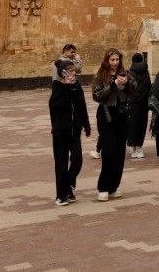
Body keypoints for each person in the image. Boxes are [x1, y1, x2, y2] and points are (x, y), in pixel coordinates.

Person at [92, 49, 134, 200]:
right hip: (106, 115)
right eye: (112, 60)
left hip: (122, 114)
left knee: (119, 152)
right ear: (107, 60)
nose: (115, 63)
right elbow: (97, 95)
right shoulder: (100, 75)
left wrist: (127, 83)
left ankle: (113, 186)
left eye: (117, 59)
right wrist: (113, 84)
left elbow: (135, 89)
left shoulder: (125, 73)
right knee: (109, 151)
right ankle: (103, 187)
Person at [49, 58, 91, 205]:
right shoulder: (57, 87)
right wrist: (67, 87)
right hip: (60, 132)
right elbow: (56, 107)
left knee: (77, 160)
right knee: (61, 164)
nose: (73, 74)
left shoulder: (77, 86)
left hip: (74, 131)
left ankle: (68, 185)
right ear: (63, 73)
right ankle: (61, 195)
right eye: (70, 71)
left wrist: (86, 124)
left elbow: (82, 105)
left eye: (74, 71)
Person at [126, 52, 151, 159]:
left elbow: (128, 89)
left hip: (133, 103)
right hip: (144, 103)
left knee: (132, 124)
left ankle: (132, 146)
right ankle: (139, 147)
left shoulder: (130, 72)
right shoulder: (146, 72)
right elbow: (149, 88)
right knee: (142, 124)